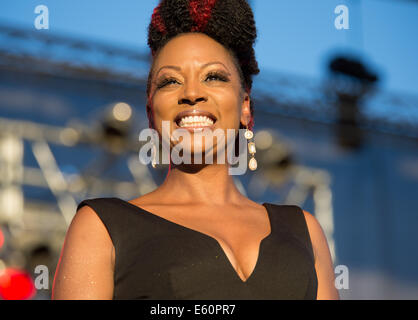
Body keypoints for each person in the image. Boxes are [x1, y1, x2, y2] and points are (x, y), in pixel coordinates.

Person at [52, 0, 339, 300]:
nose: (191, 93)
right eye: (170, 81)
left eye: (213, 77)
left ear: (244, 106)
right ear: (151, 113)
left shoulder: (304, 231)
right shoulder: (103, 227)